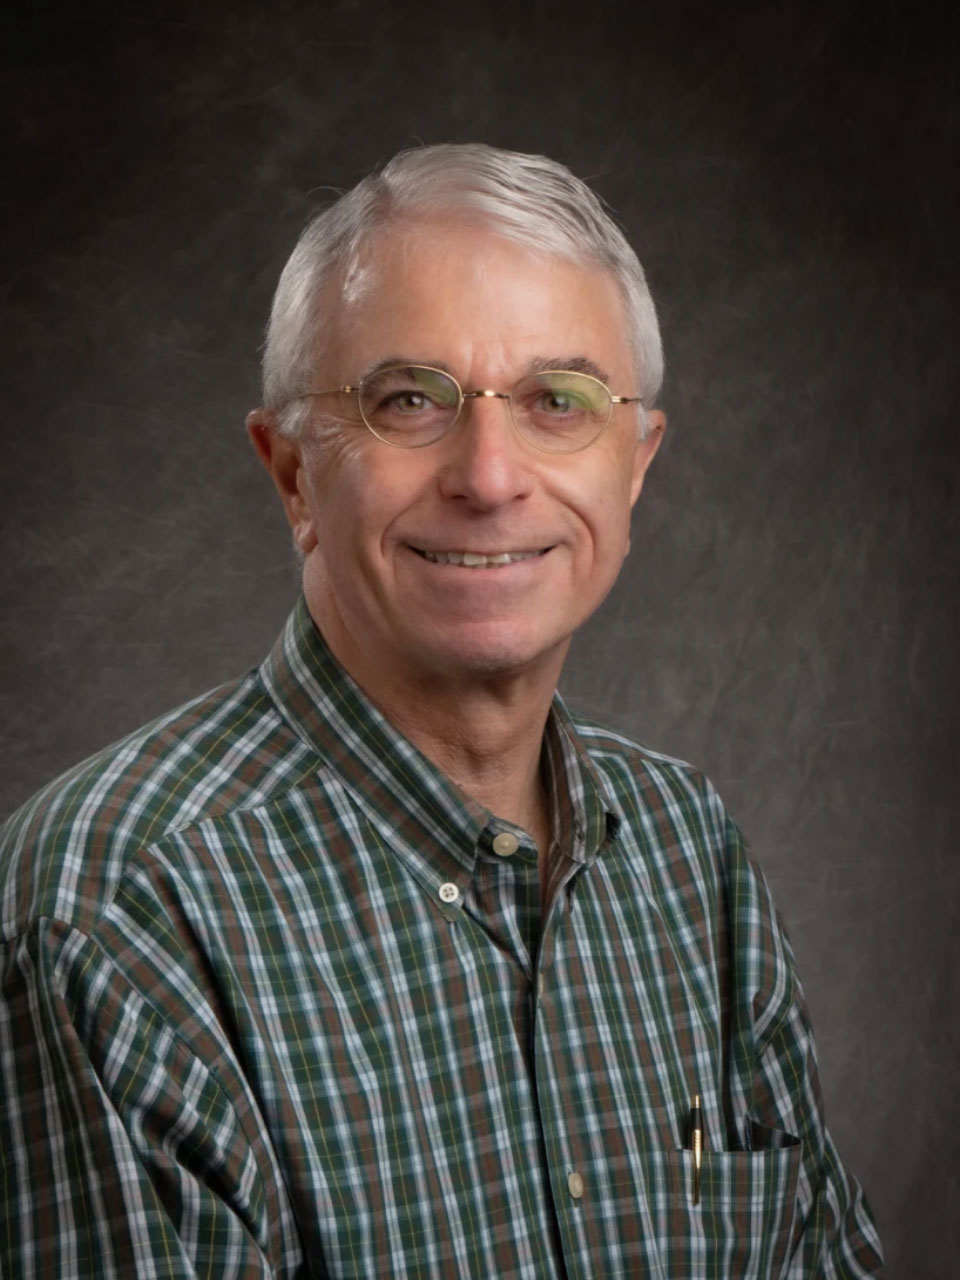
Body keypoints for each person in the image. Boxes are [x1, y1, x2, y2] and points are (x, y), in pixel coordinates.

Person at [0, 143, 883, 1279]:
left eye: (558, 401)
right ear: (293, 474)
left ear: (636, 465)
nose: (490, 473)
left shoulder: (689, 851)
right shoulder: (108, 916)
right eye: (409, 399)